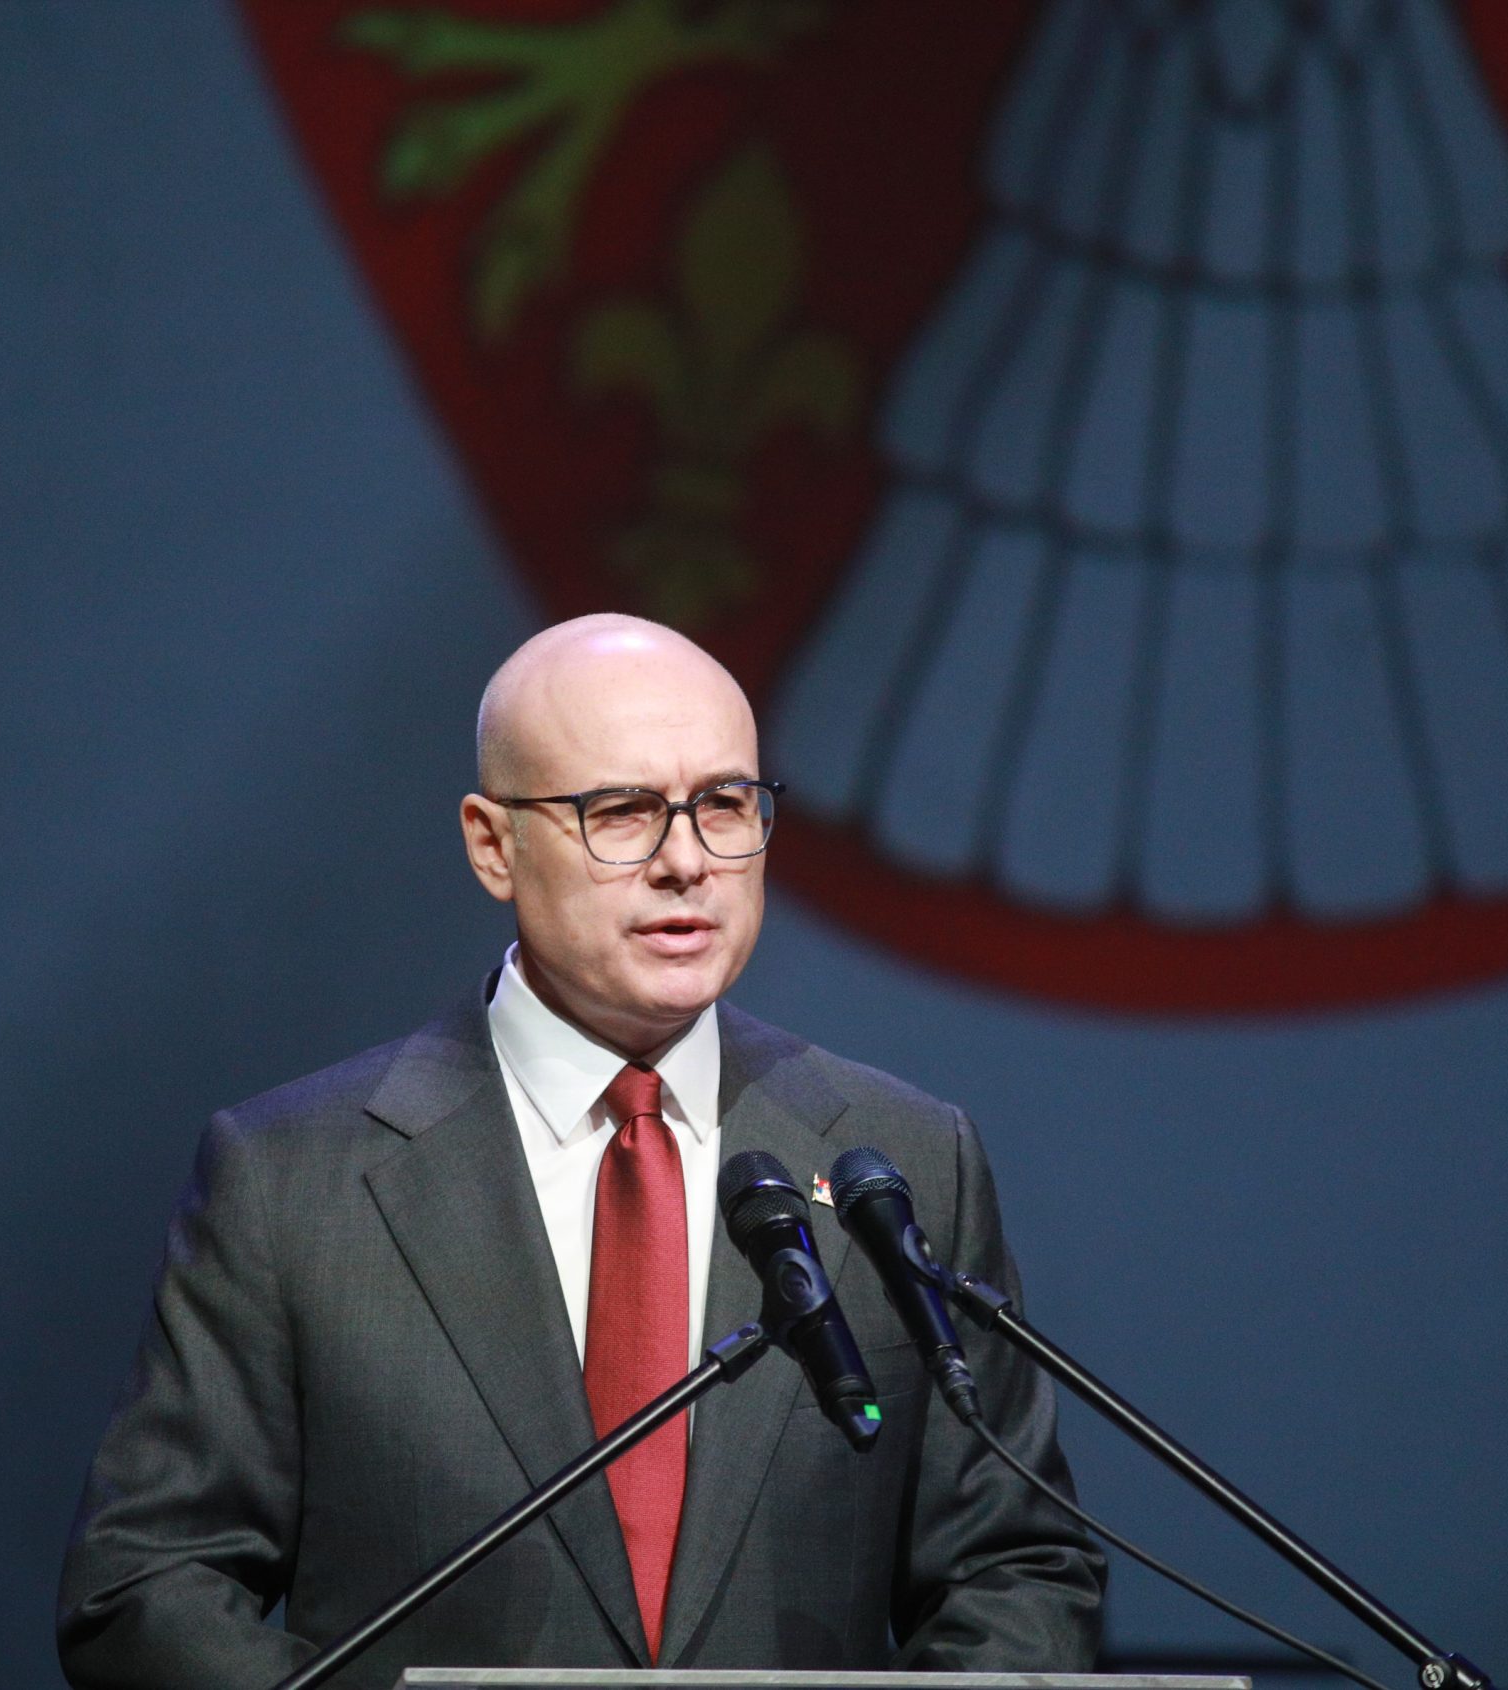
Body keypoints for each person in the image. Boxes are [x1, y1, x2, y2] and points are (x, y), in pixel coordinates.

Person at [57, 615, 1105, 1689]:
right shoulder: (292, 1181)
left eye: (724, 804)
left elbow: (1015, 1570)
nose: (686, 862)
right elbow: (146, 1588)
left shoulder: (903, 1162)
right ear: (492, 845)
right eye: (623, 812)